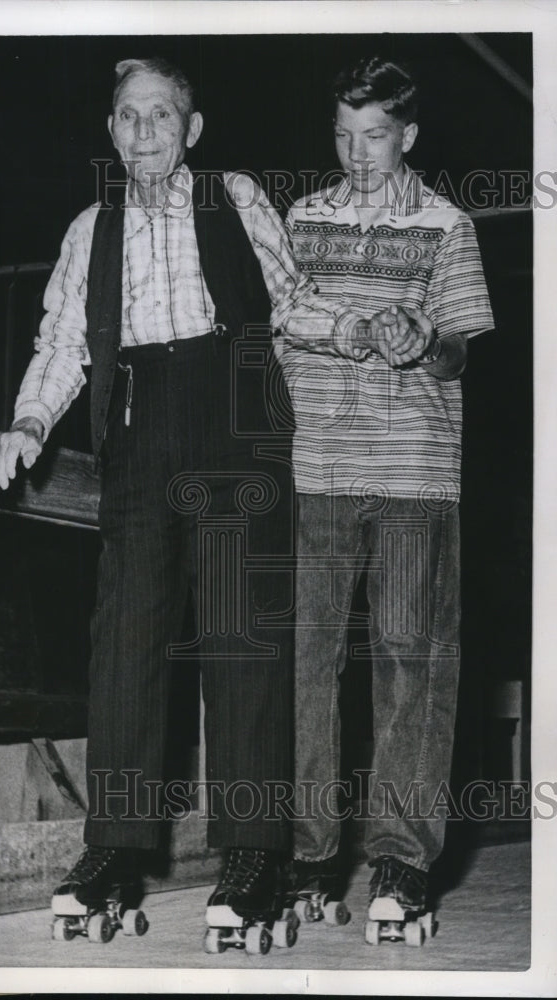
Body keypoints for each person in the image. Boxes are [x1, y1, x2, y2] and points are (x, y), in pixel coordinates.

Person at [0, 56, 386, 948]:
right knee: (123, 642)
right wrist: (27, 423)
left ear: (191, 130)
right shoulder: (92, 227)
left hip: (234, 419)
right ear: (112, 131)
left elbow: (290, 300)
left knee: (243, 640)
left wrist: (356, 329)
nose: (147, 131)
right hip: (137, 428)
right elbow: (61, 342)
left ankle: (253, 856)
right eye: (130, 116)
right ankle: (115, 851)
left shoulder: (235, 196)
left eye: (163, 115)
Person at [280, 55, 494, 940]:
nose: (356, 153)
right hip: (322, 467)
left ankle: (403, 865)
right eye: (342, 133)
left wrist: (423, 343)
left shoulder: (447, 224)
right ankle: (309, 858)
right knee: (308, 663)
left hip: (414, 472)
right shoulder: (302, 218)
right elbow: (282, 318)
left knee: (413, 661)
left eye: (374, 136)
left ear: (406, 135)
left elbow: (461, 352)